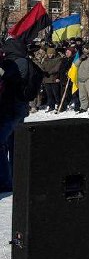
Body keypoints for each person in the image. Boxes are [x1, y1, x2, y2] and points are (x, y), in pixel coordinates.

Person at [0, 38, 32, 192]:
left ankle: (8, 180)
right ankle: (13, 177)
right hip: (13, 108)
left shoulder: (19, 62)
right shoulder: (17, 61)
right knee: (11, 144)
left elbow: (7, 78)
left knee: (8, 143)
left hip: (14, 109)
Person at [40, 46, 63, 112]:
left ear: (54, 53)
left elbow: (57, 68)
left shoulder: (58, 59)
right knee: (49, 94)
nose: (49, 55)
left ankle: (59, 105)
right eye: (48, 53)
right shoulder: (45, 60)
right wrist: (43, 72)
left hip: (54, 79)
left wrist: (49, 72)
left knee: (56, 94)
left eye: (51, 53)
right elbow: (42, 67)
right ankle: (51, 106)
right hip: (46, 79)